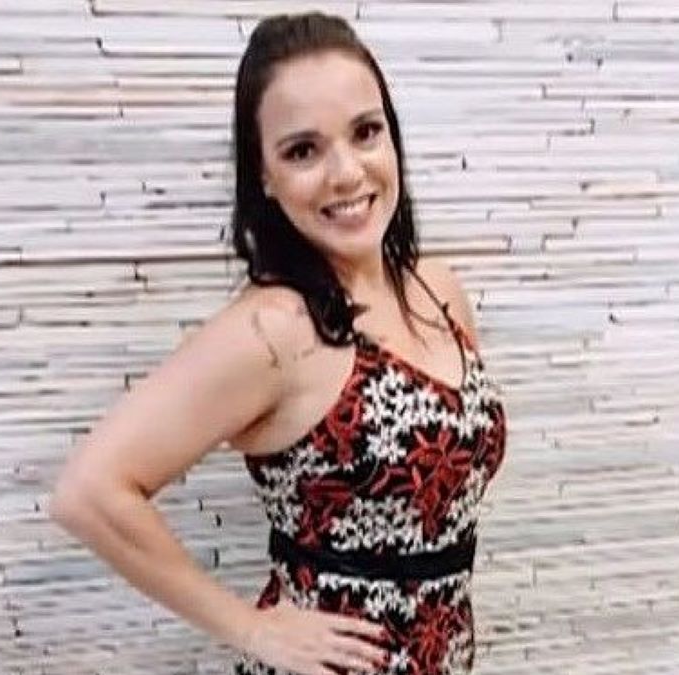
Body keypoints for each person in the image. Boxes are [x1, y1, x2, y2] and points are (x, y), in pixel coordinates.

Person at [49, 11, 507, 675]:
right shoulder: (273, 329)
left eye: (366, 132)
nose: (346, 173)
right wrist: (250, 628)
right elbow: (89, 490)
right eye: (302, 151)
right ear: (263, 175)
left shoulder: (435, 287)